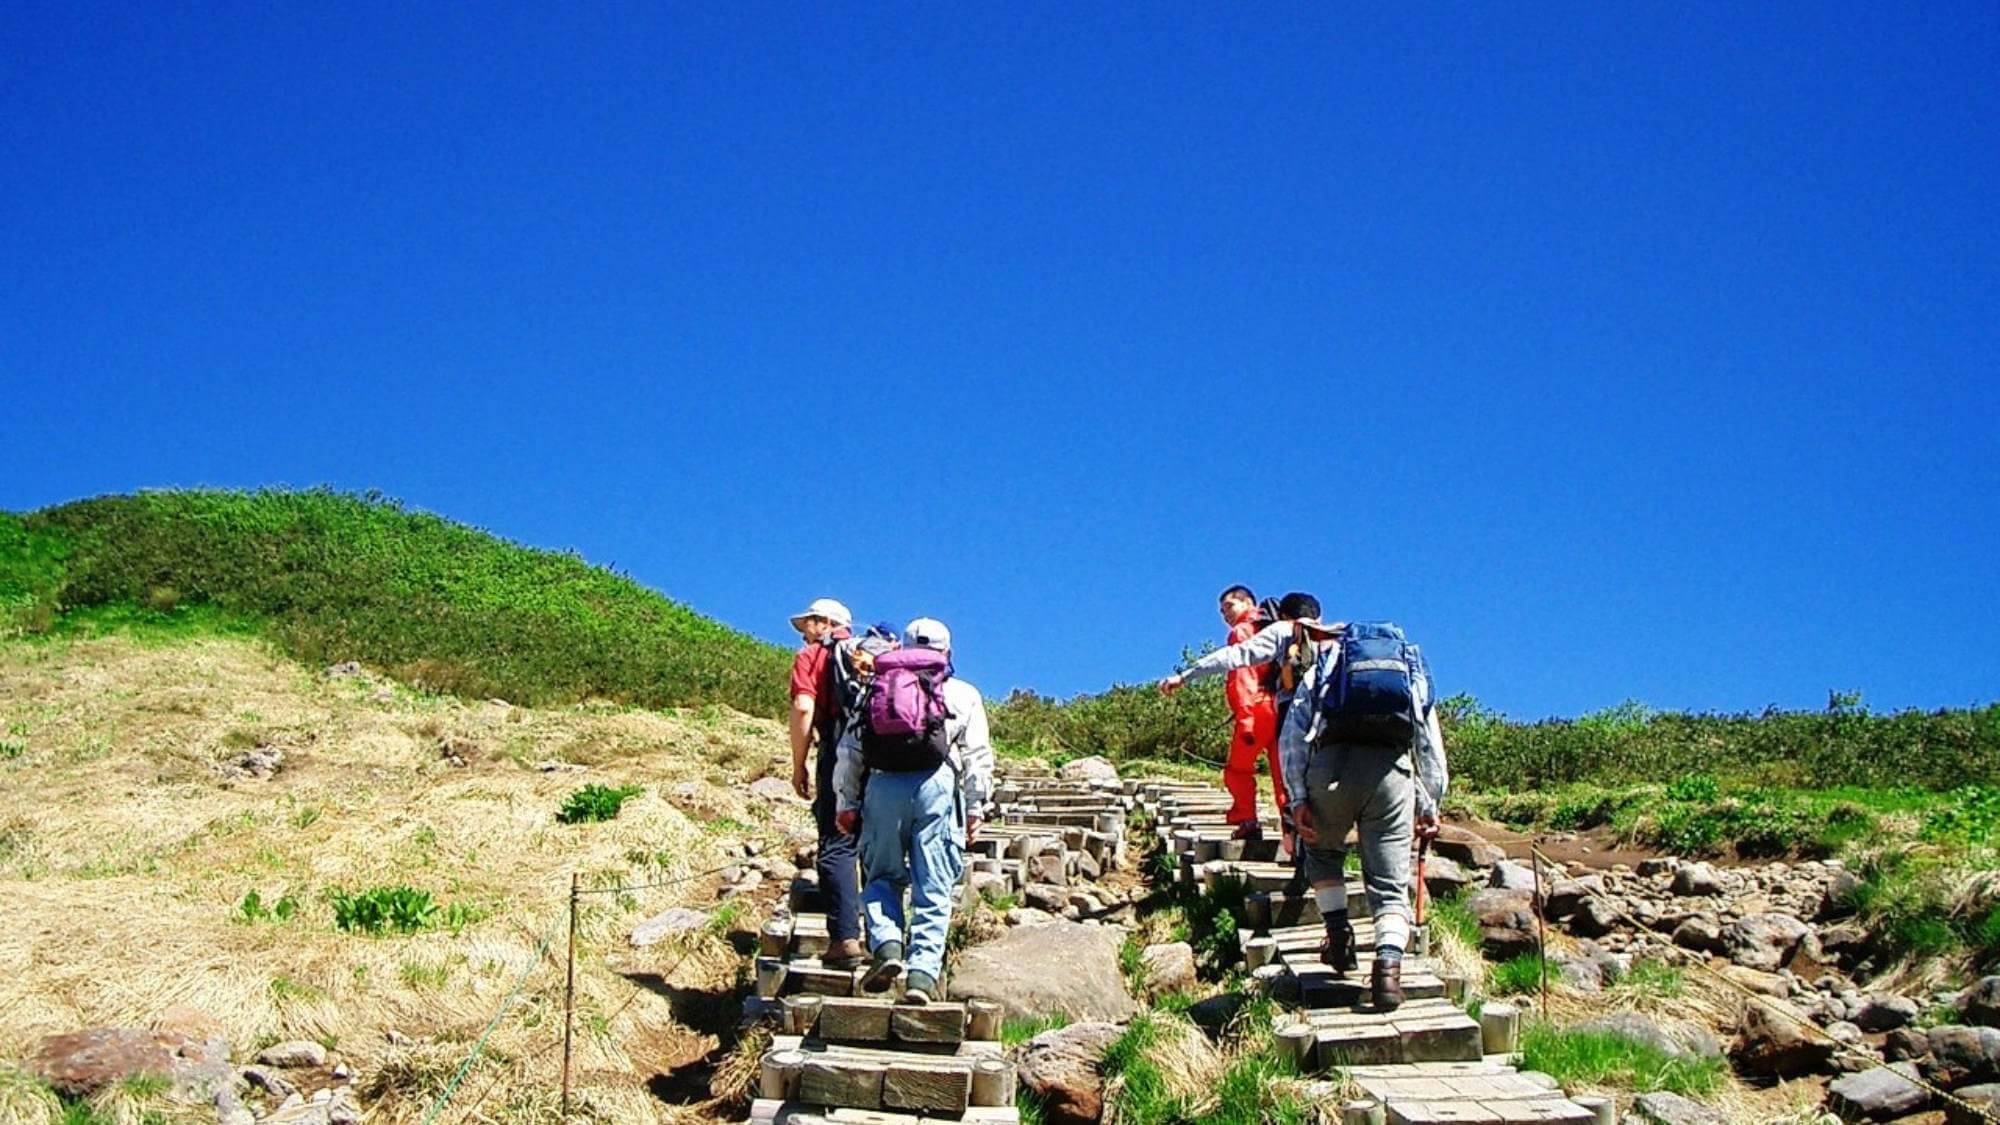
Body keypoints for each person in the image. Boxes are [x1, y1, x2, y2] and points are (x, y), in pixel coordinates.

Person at [1280, 621, 1448, 1011]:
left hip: (1330, 768)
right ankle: (1388, 974)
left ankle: (1338, 940)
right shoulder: (1411, 668)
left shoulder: (1329, 661)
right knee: (1389, 886)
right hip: (1391, 775)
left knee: (1321, 852)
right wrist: (1430, 804)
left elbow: (1293, 734)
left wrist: (1297, 797)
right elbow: (1428, 744)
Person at [832, 617, 994, 1005]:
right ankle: (921, 975)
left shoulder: (876, 687)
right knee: (934, 885)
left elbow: (850, 750)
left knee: (881, 875)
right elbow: (979, 756)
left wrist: (846, 803)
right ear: (947, 652)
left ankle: (887, 944)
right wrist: (975, 807)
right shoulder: (963, 693)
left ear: (901, 649)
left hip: (882, 786)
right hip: (937, 785)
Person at [1158, 591, 1324, 846]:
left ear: (1248, 603)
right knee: (1284, 777)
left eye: (1228, 606)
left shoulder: (1245, 630)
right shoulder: (1300, 632)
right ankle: (1295, 837)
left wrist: (1245, 720)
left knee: (1237, 770)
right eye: (1221, 610)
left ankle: (1247, 821)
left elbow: (1243, 675)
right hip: (1288, 710)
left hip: (1258, 710)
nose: (1225, 614)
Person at [787, 597, 867, 969]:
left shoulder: (812, 657)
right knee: (875, 845)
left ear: (823, 623)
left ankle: (845, 940)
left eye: (807, 625)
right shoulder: (868, 652)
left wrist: (799, 764)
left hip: (837, 748)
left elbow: (803, 707)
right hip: (881, 754)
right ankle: (887, 941)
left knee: (837, 843)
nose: (804, 633)